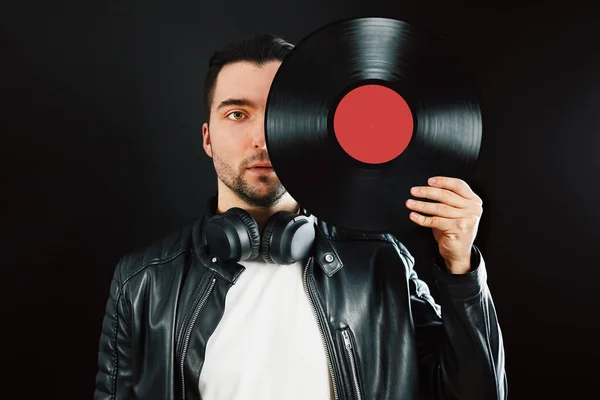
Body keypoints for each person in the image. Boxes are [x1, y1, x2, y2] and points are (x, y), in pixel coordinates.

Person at [94, 33, 507, 400]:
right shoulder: (142, 280)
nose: (260, 138)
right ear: (208, 138)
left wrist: (461, 269)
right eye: (237, 114)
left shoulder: (382, 261)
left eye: (276, 112)